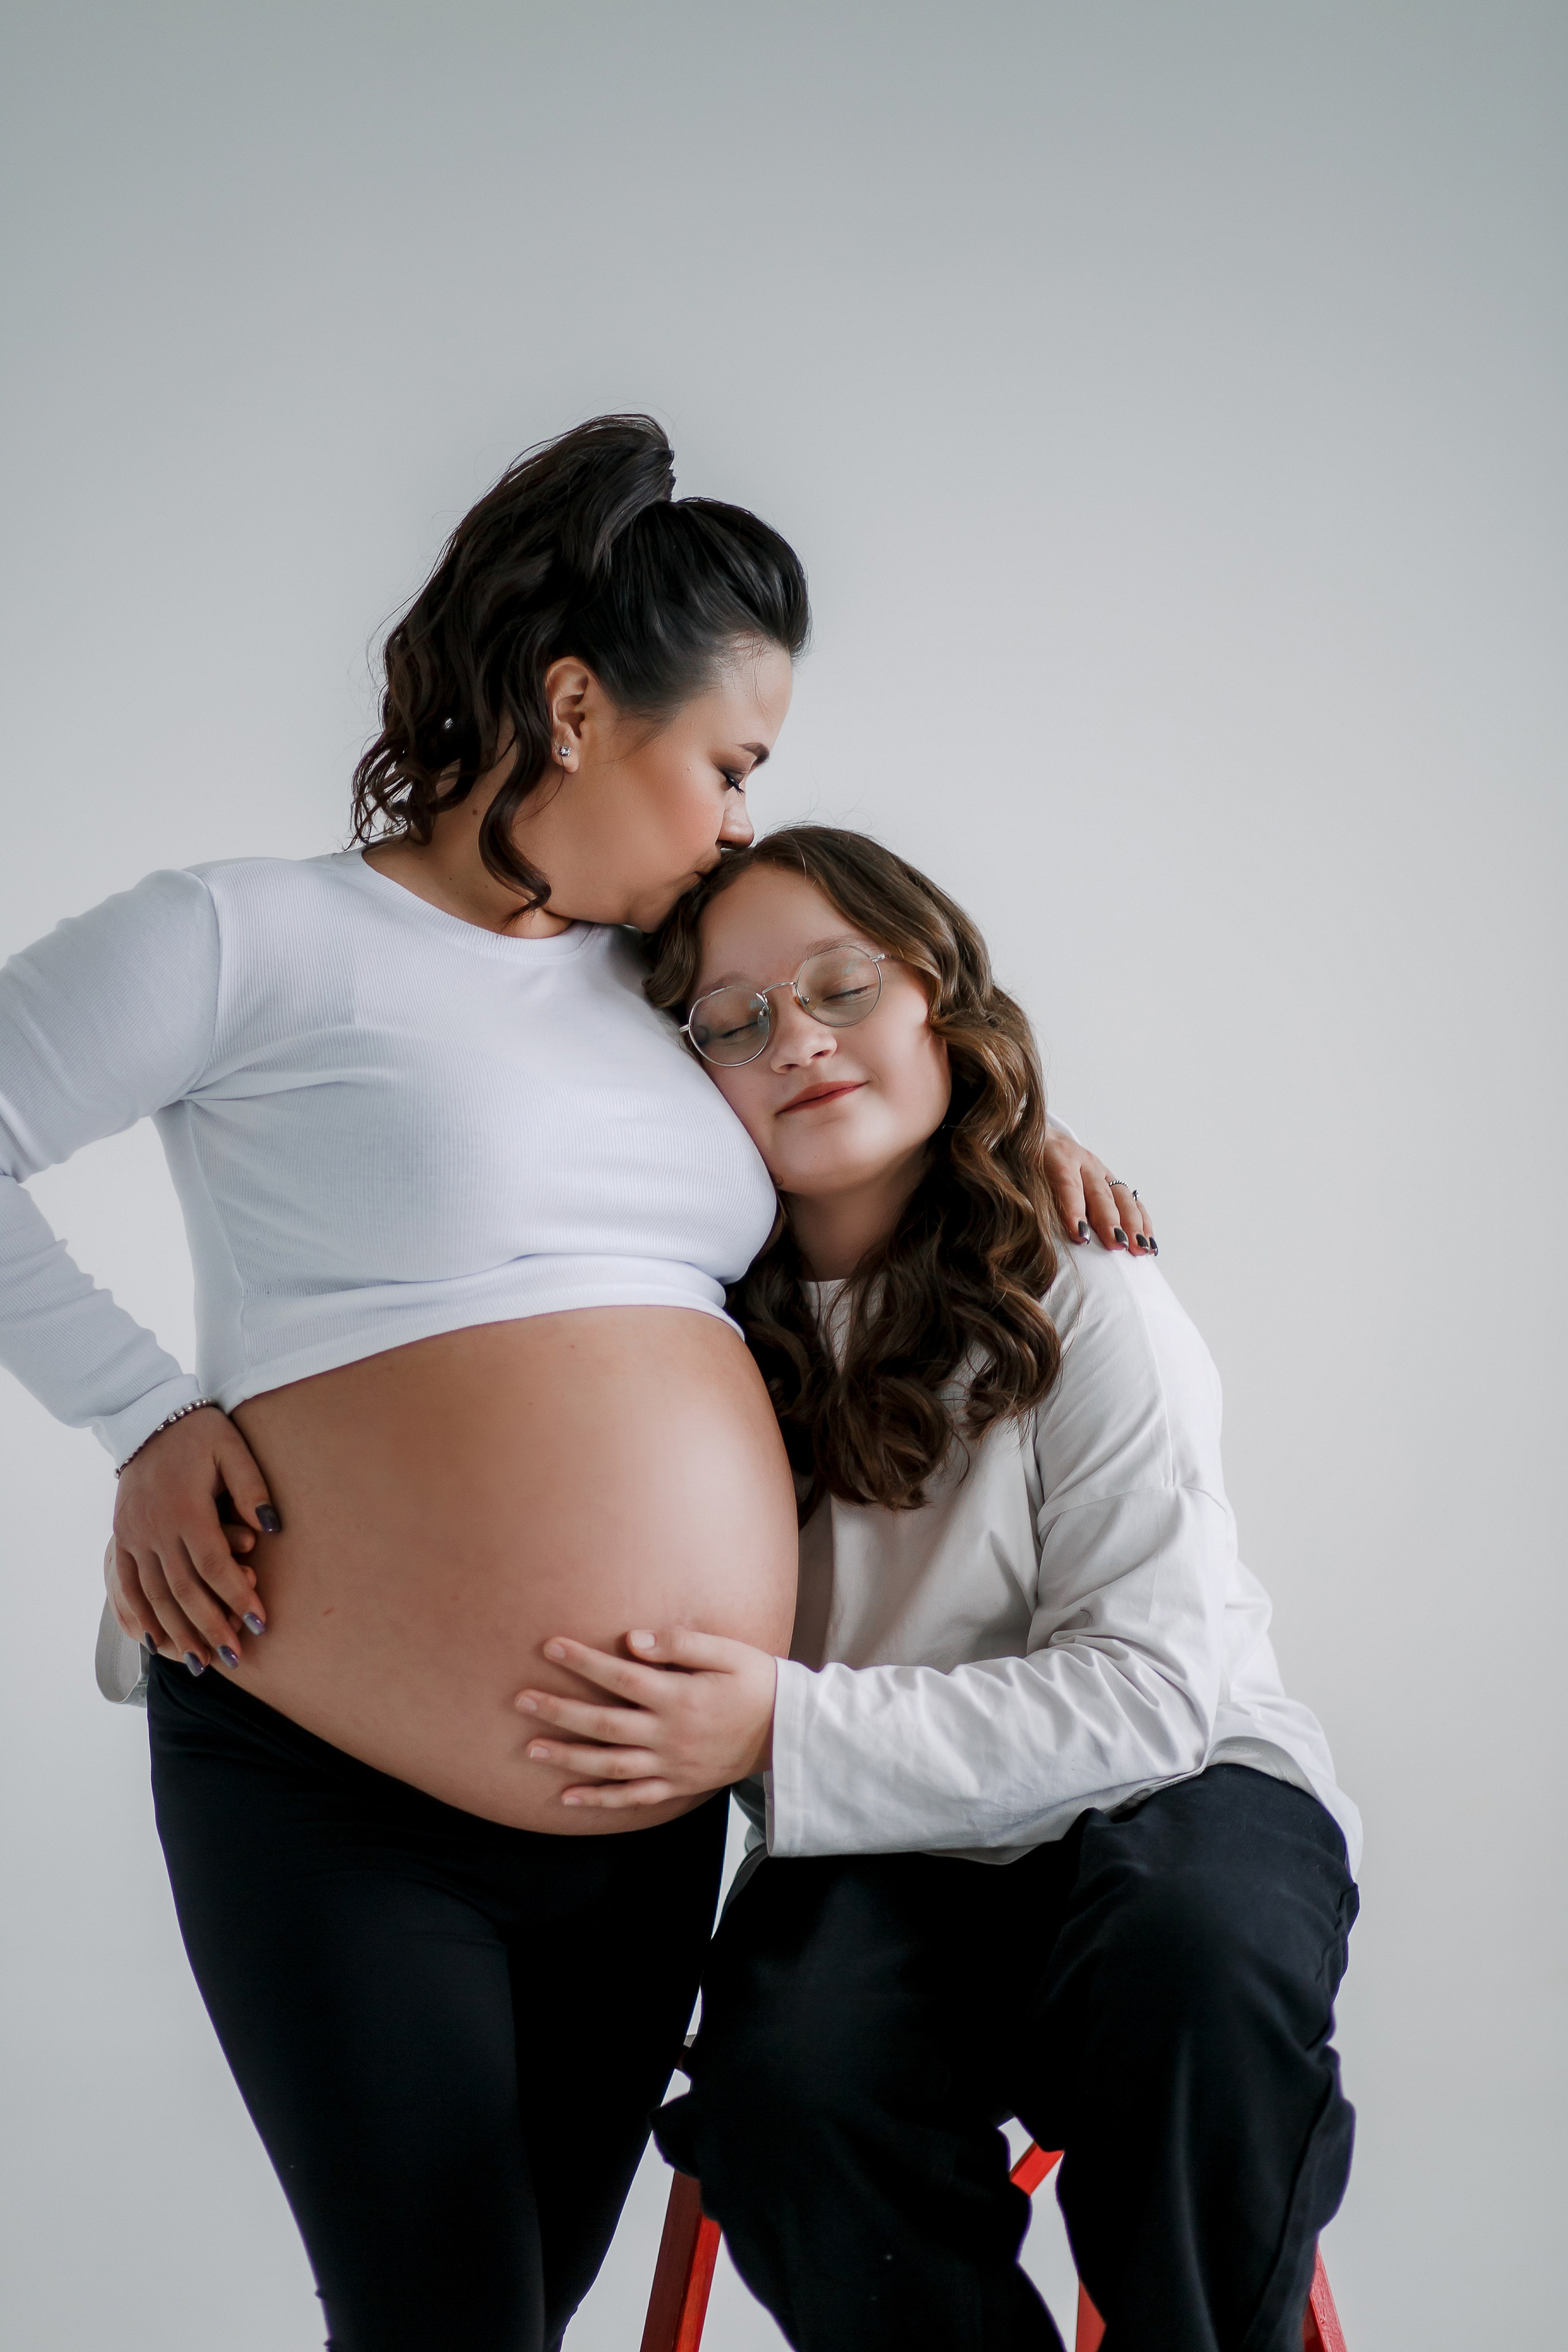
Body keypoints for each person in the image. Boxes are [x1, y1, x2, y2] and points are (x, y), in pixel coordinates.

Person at [0, 428, 1130, 2350]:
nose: (735, 823)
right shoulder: (254, 937)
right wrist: (141, 1414)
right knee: (445, 2312)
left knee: (524, 2303)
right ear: (579, 704)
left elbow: (851, 1061)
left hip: (649, 1806)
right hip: (334, 1788)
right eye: (728, 765)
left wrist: (1017, 1141)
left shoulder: (670, 990)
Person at [512, 825, 1360, 2352]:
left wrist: (771, 1728)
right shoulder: (669, 1330)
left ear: (938, 1006)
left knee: (1192, 1962)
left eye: (844, 985)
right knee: (785, 2086)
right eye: (736, 1018)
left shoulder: (1084, 1285)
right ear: (678, 1070)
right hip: (887, 1847)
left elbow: (1152, 1698)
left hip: (1175, 1791)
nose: (802, 1042)